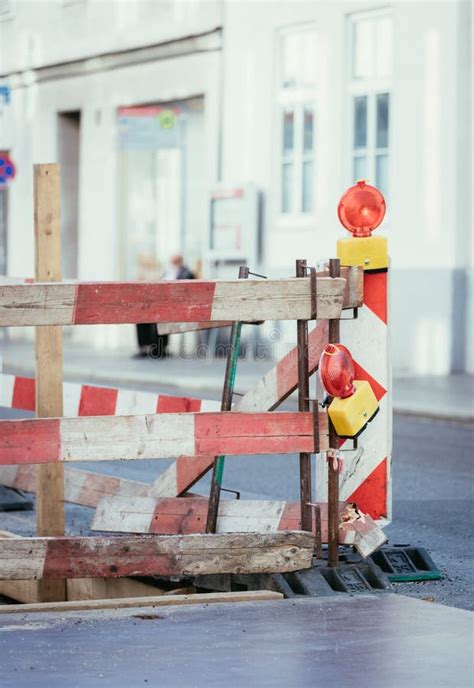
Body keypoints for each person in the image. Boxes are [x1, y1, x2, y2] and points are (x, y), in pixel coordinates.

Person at [135, 254, 195, 358]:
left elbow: (187, 292)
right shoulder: (167, 272)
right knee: (141, 316)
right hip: (162, 303)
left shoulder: (187, 273)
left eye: (175, 260)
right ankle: (145, 347)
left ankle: (159, 348)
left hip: (177, 306)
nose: (173, 263)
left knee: (159, 315)